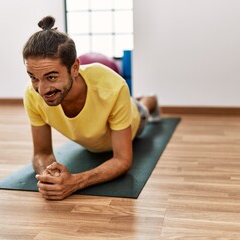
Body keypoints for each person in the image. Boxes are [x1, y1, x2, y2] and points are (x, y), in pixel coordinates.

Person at [22, 16, 161, 200]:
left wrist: (75, 182)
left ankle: (150, 100)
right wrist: (49, 176)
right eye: (33, 77)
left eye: (51, 77)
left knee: (142, 109)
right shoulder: (33, 94)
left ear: (74, 68)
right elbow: (42, 153)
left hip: (135, 120)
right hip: (94, 137)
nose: (42, 89)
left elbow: (122, 160)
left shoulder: (113, 86)